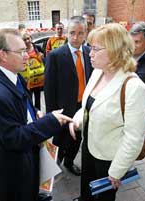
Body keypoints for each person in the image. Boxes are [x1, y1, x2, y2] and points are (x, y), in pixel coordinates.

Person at [0, 28, 73, 201]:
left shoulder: (13, 75)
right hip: (15, 170)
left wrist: (34, 112)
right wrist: (50, 121)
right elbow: (14, 137)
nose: (27, 55)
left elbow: (24, 105)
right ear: (3, 55)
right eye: (21, 51)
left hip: (26, 158)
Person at [69, 23, 145, 201]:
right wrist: (77, 119)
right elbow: (89, 105)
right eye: (90, 47)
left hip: (109, 158)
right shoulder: (98, 71)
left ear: (115, 51)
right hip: (89, 146)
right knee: (87, 189)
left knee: (104, 196)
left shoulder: (134, 88)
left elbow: (134, 137)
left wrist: (116, 172)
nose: (90, 53)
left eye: (95, 49)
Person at [44, 16, 92, 176]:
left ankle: (69, 162)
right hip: (63, 109)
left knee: (77, 139)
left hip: (83, 106)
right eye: (72, 33)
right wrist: (52, 114)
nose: (76, 37)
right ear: (66, 33)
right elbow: (49, 88)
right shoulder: (55, 56)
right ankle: (54, 166)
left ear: (86, 33)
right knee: (59, 140)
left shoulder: (90, 52)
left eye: (80, 33)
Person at [21, 32, 44, 109]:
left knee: (38, 101)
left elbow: (44, 60)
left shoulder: (37, 48)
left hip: (38, 81)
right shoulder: (21, 51)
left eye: (28, 38)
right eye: (24, 39)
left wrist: (42, 57)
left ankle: (39, 116)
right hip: (28, 82)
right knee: (29, 100)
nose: (27, 41)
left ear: (31, 38)